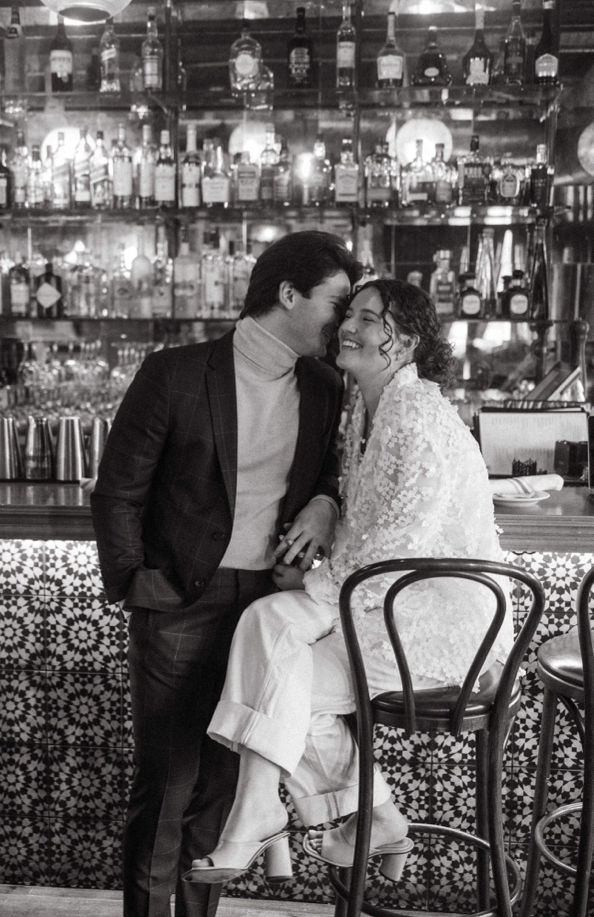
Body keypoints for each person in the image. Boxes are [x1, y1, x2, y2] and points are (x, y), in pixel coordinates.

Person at [186, 280, 505, 882]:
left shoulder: (416, 419)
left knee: (275, 656)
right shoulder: (368, 403)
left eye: (368, 318)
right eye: (347, 314)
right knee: (270, 646)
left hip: (434, 629)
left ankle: (275, 814)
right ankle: (353, 814)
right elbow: (369, 532)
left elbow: (395, 548)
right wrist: (323, 531)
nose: (347, 327)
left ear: (405, 340)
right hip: (381, 604)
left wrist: (309, 585)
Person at [90, 230, 359, 917]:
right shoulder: (175, 372)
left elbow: (331, 472)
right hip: (179, 601)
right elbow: (118, 490)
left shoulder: (326, 386)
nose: (345, 320)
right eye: (337, 302)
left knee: (221, 794)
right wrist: (137, 583)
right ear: (288, 294)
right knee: (167, 788)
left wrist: (326, 504)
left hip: (267, 611)